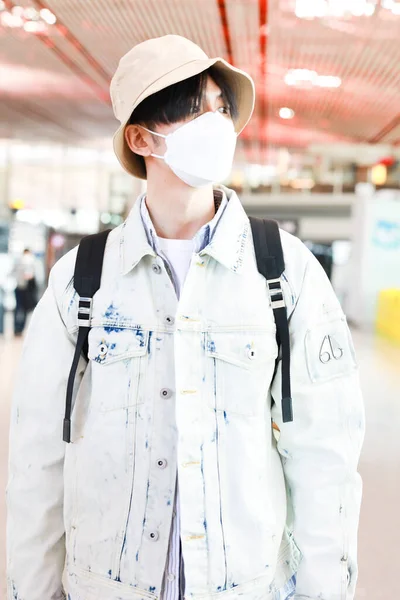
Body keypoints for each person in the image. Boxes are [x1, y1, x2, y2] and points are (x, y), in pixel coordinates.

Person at [7, 35, 365, 600]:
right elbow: (38, 461)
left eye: (223, 108)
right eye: (196, 109)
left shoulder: (283, 271)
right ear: (142, 136)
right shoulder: (83, 278)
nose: (219, 123)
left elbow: (324, 460)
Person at [13, 248, 37, 336]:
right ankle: (20, 328)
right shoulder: (29, 260)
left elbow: (13, 272)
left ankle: (17, 328)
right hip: (26, 289)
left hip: (18, 287)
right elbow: (29, 275)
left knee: (18, 309)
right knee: (25, 309)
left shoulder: (18, 260)